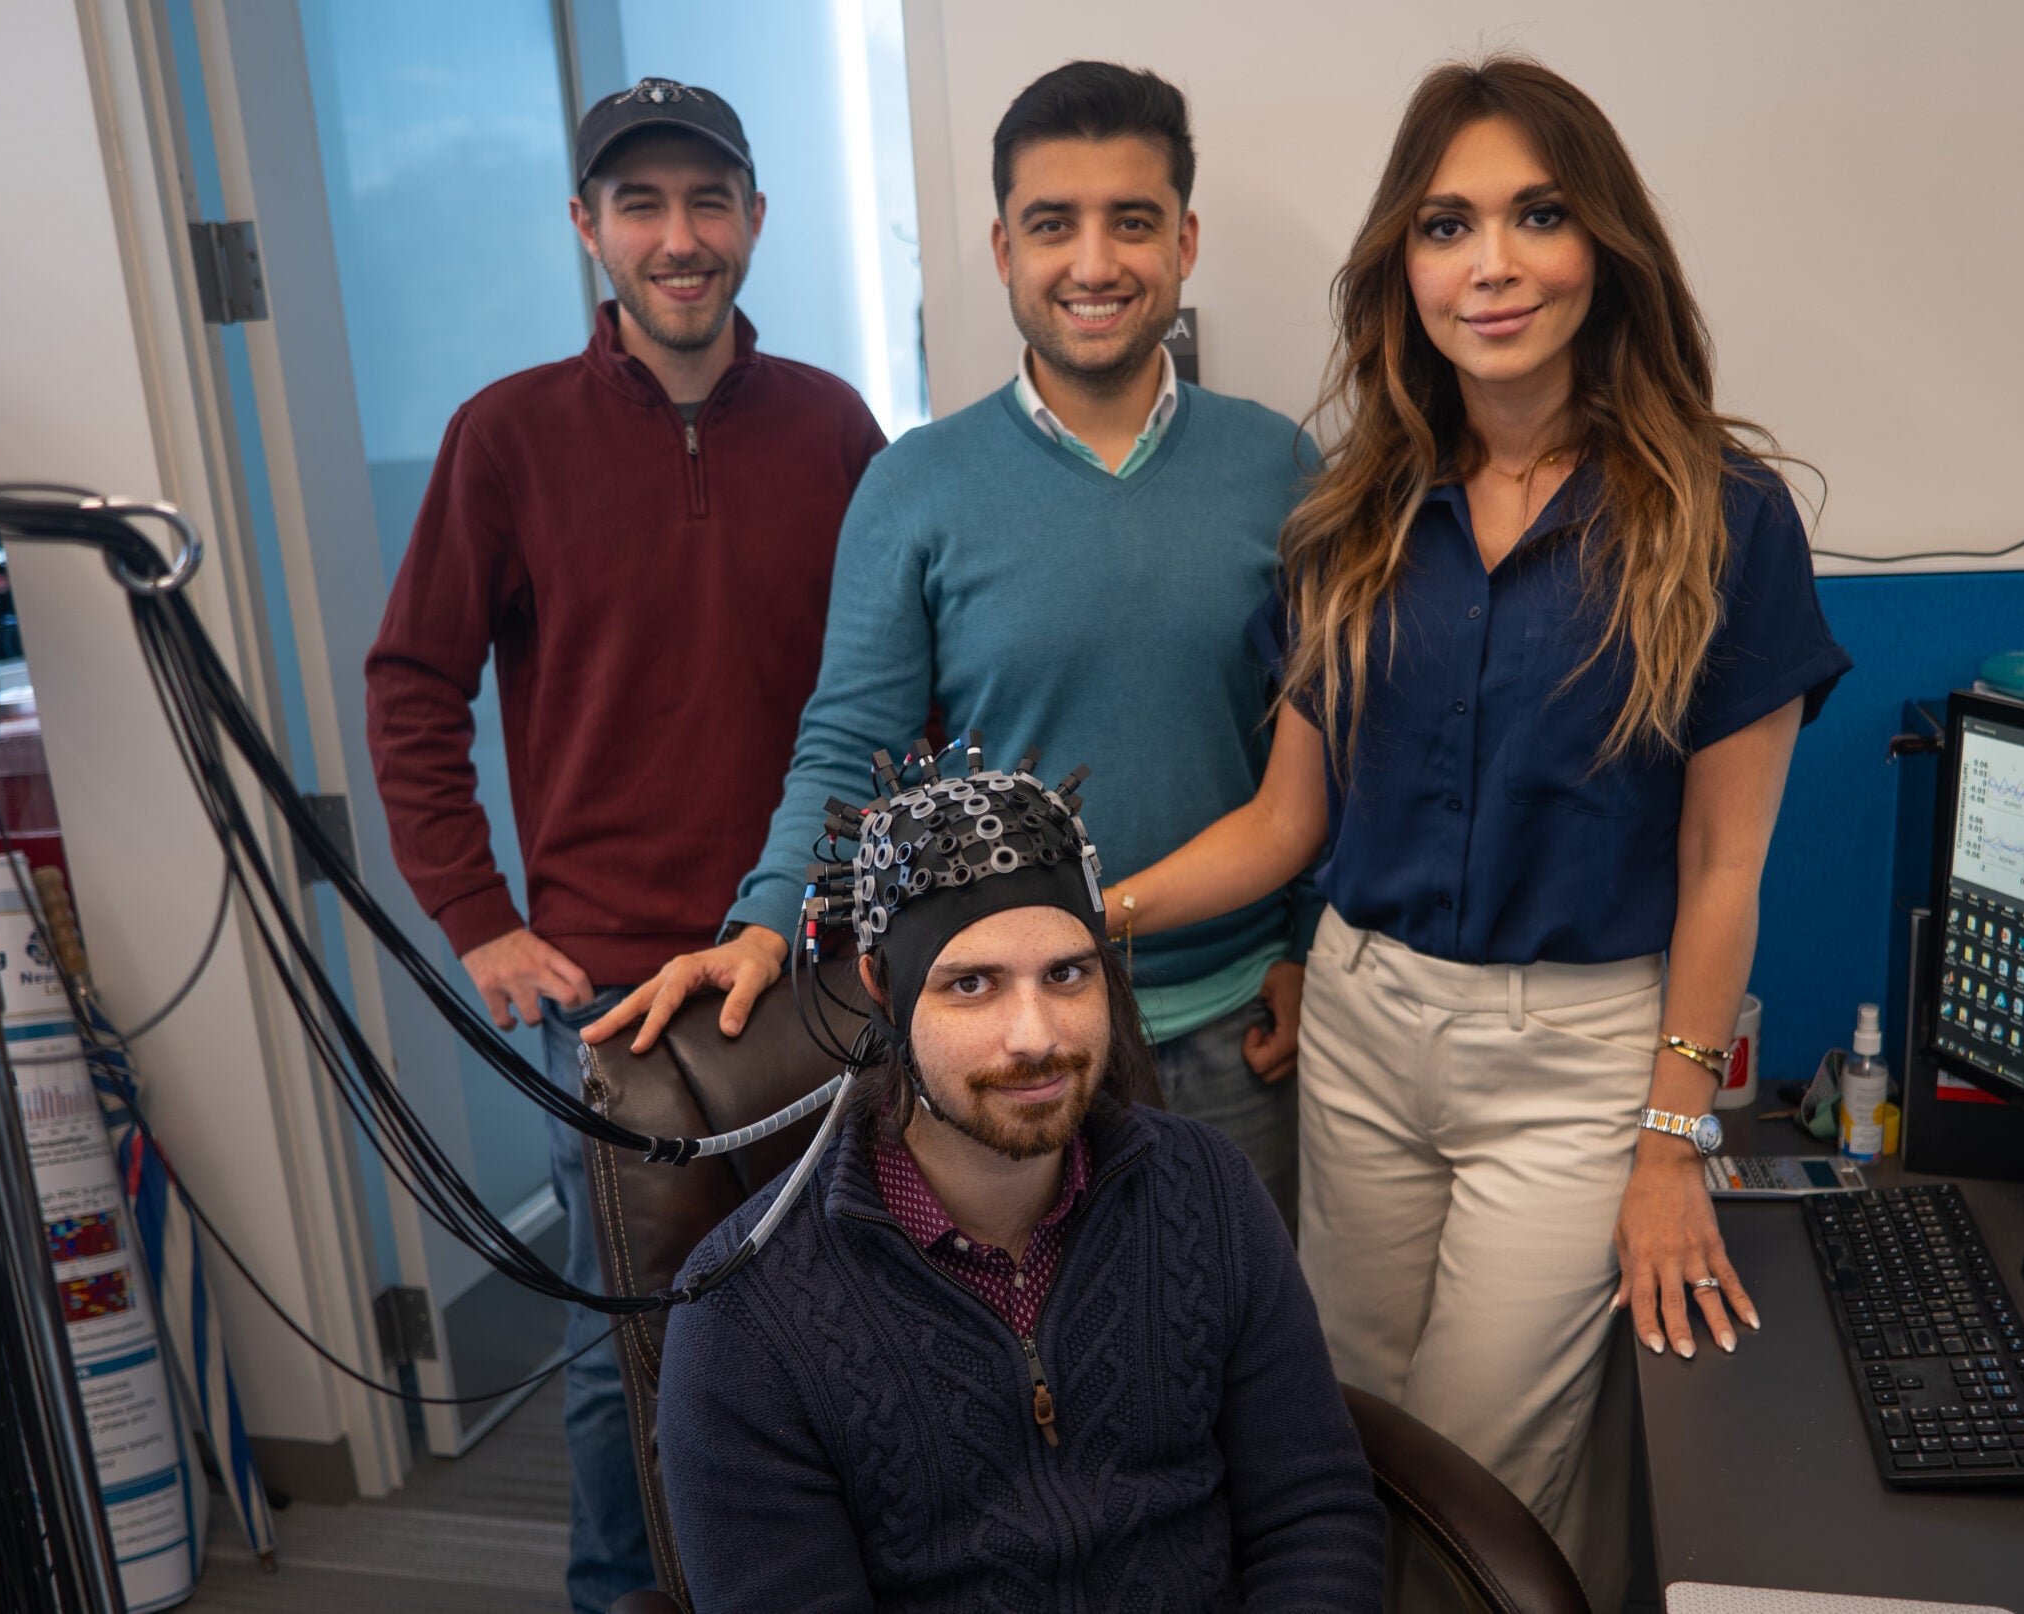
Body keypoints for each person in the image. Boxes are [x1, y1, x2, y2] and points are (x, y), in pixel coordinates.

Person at [1099, 56, 1851, 1607]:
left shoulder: (1722, 517)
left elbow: (1723, 870)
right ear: (1403, 267)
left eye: (1537, 215)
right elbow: (1285, 821)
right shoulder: (1354, 516)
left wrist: (1672, 1137)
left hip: (1578, 1059)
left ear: (1607, 249)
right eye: (1447, 225)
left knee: (1486, 1465)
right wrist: (1079, 918)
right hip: (1366, 1027)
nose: (1492, 262)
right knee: (1341, 1437)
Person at [588, 62, 1317, 1228]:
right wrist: (764, 922)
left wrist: (1305, 945)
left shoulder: (1279, 468)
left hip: (1240, 1033)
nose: (1091, 264)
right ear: (999, 250)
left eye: (1130, 222)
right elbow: (845, 745)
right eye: (1051, 226)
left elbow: (1319, 751)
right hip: (1006, 1042)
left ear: (1183, 240)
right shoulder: (915, 484)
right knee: (1031, 1386)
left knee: (1230, 1372)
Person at [362, 77, 884, 1614]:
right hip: (608, 995)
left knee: (846, 1313)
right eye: (642, 206)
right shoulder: (505, 437)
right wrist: (475, 911)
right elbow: (411, 683)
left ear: (754, 223)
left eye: (708, 202)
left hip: (807, 963)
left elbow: (882, 690)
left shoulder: (835, 429)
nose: (680, 237)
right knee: (628, 1356)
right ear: (589, 229)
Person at [655, 751, 1384, 1612]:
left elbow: (1313, 1515)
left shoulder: (1206, 1189)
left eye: (1066, 974)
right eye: (971, 985)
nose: (1035, 1038)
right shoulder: (746, 1315)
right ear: (883, 992)